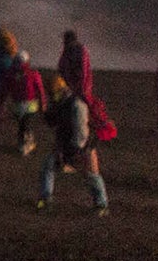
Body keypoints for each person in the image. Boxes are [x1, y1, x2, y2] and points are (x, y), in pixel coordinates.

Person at [39, 72, 108, 214]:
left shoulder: (77, 105)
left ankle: (102, 205)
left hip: (83, 146)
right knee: (48, 166)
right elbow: (53, 121)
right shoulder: (61, 104)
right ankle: (46, 198)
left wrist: (76, 151)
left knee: (92, 175)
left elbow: (82, 131)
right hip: (66, 144)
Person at [3, 50, 47, 155]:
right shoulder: (11, 75)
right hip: (18, 103)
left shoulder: (33, 74)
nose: (19, 64)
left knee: (26, 123)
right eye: (17, 62)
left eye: (20, 62)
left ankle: (27, 143)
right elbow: (6, 89)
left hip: (31, 103)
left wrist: (43, 103)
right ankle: (24, 141)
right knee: (21, 124)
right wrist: (2, 103)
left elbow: (40, 90)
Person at [57, 29, 94, 98]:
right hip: (70, 85)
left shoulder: (79, 51)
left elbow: (83, 70)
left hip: (79, 87)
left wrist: (81, 88)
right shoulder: (68, 50)